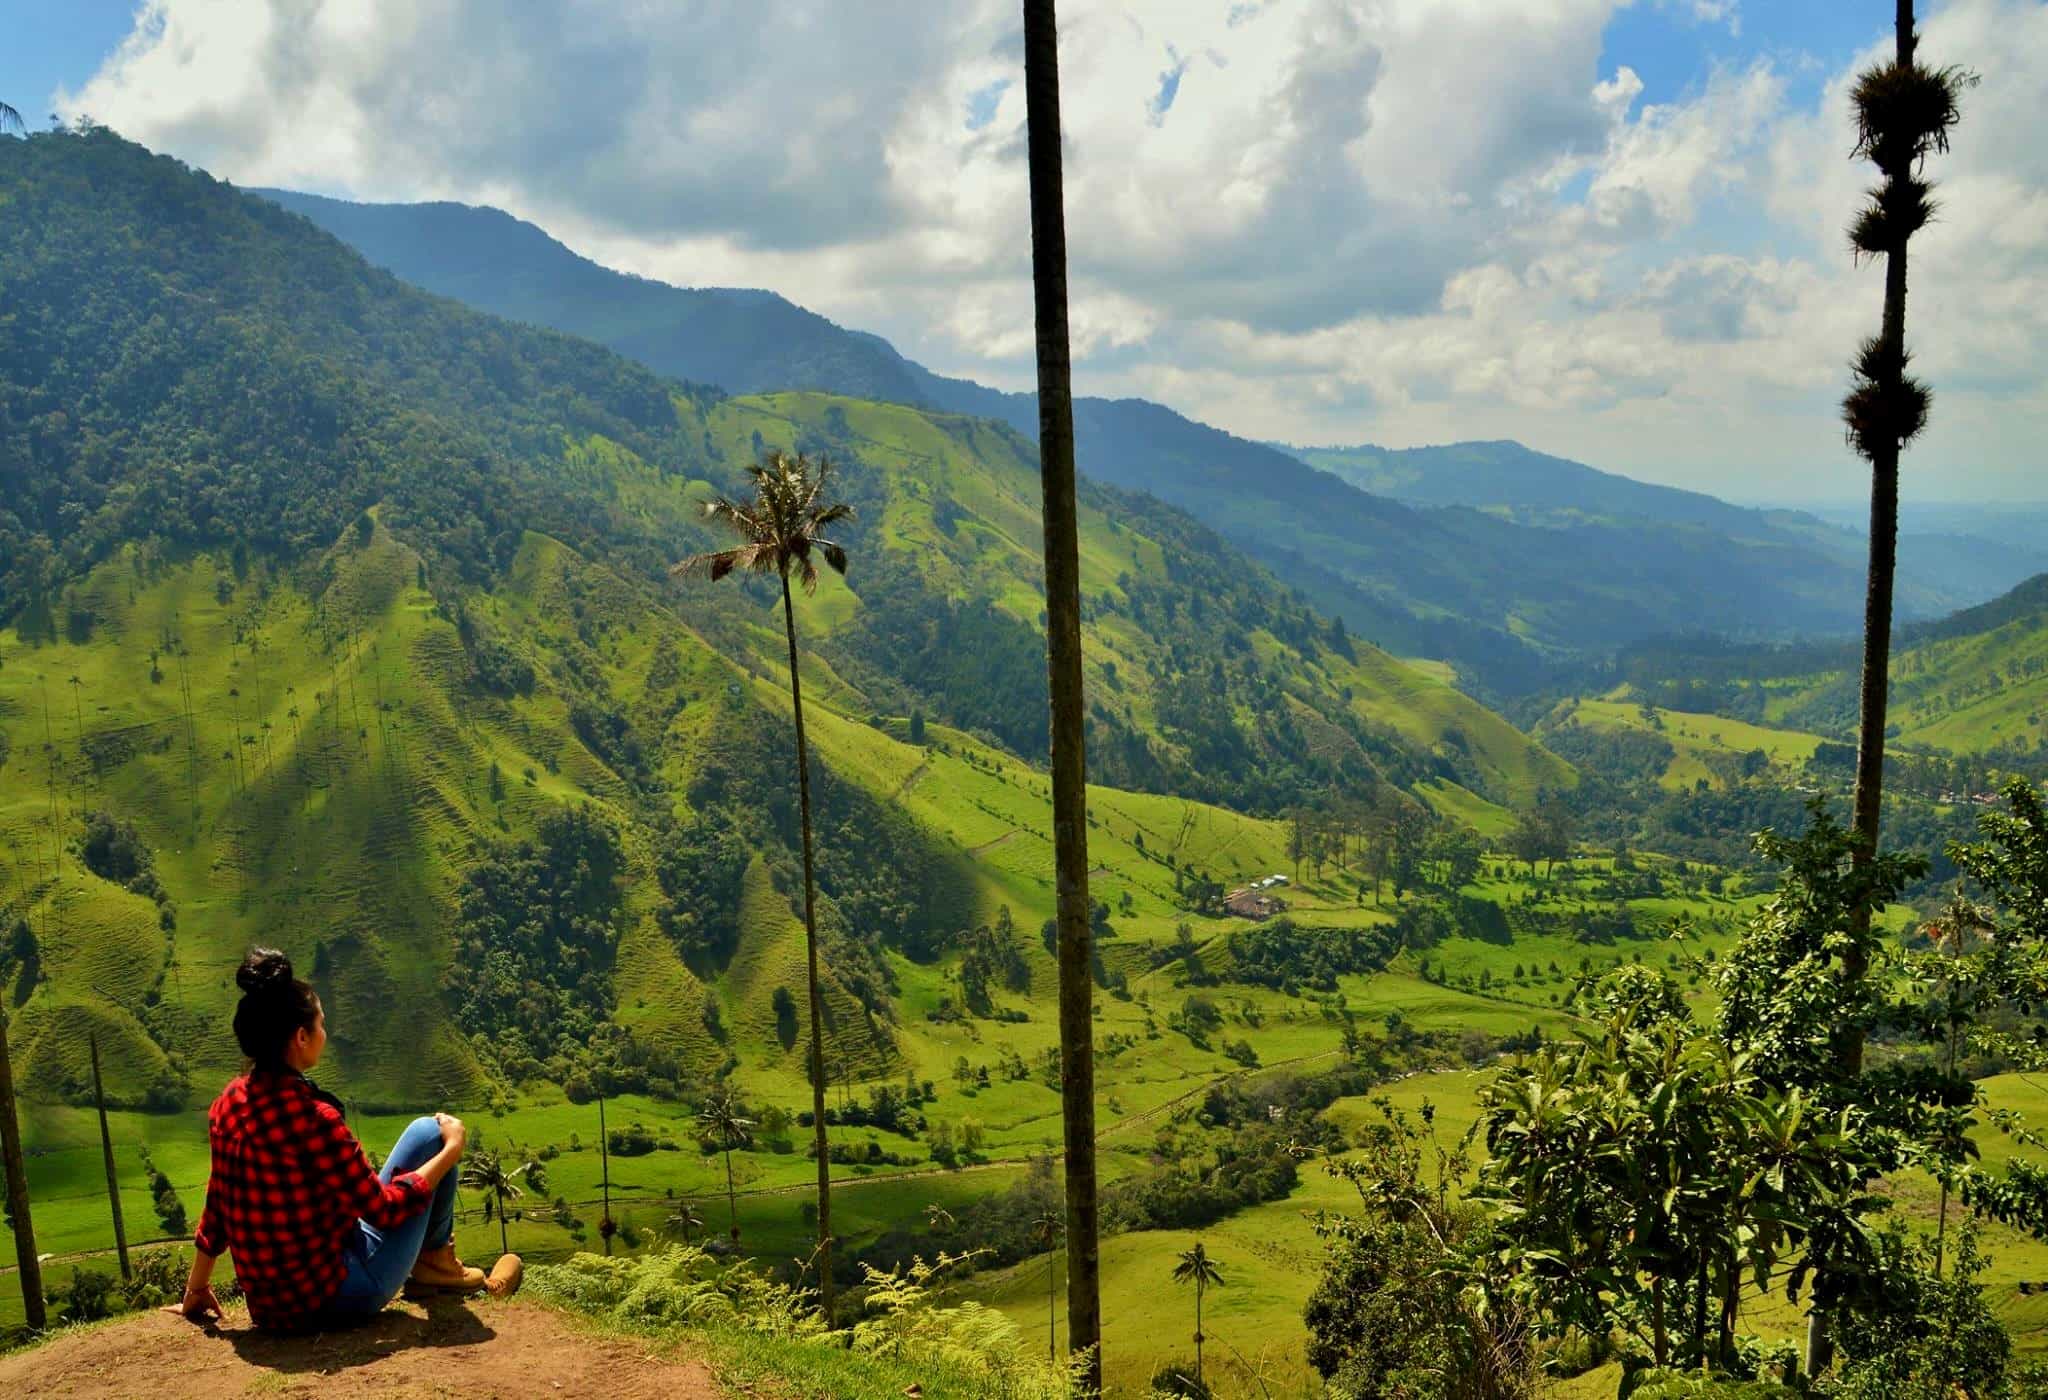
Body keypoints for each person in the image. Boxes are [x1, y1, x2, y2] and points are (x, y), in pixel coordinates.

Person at [169, 948, 519, 1329]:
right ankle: (437, 1262)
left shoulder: (228, 1105)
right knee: (436, 1136)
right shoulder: (314, 1119)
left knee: (424, 1132)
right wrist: (452, 1150)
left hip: (269, 1305)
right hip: (339, 1294)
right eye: (321, 1024)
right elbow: (383, 1210)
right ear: (301, 1037)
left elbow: (219, 1199)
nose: (325, 1032)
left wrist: (197, 1286)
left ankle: (435, 1262)